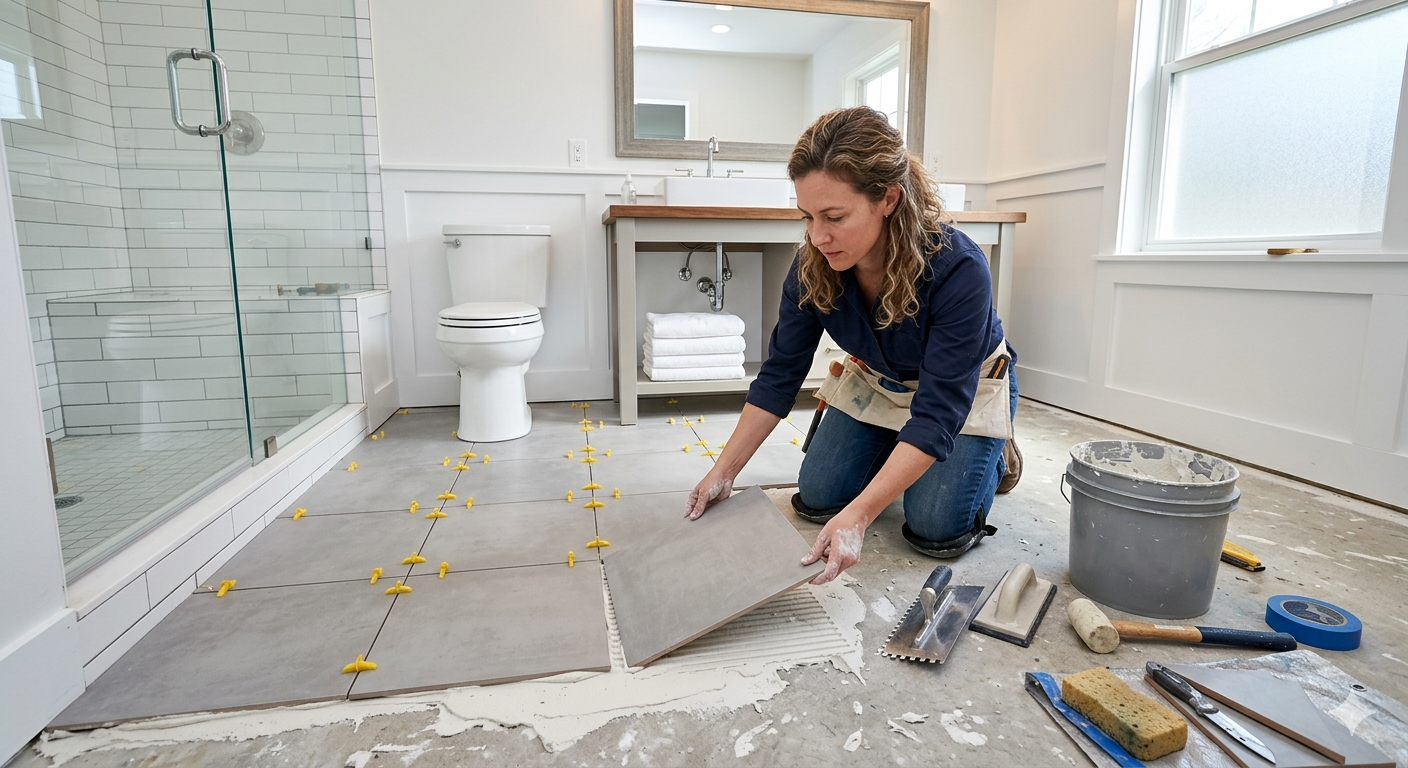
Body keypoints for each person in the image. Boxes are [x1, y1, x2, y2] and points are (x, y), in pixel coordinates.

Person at [684, 106, 1021, 585]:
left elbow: (938, 412)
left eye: (835, 216)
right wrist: (724, 471)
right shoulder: (810, 267)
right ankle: (897, 453)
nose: (818, 236)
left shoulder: (959, 269)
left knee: (935, 527)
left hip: (963, 391)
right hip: (881, 382)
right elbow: (780, 377)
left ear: (887, 198)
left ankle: (997, 449)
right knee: (819, 497)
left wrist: (860, 516)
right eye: (807, 217)